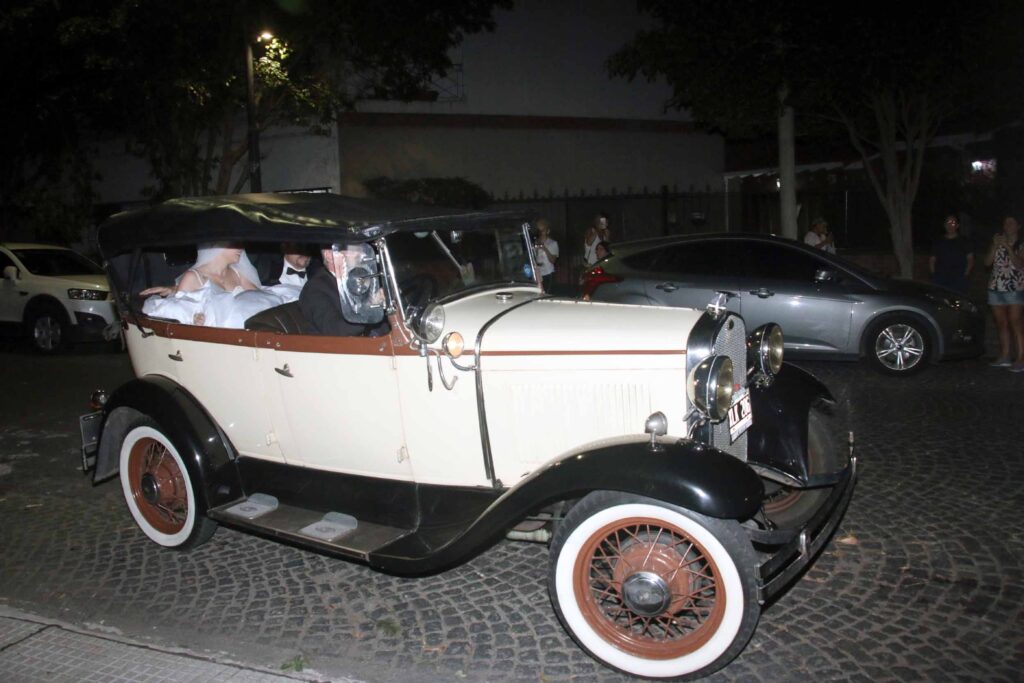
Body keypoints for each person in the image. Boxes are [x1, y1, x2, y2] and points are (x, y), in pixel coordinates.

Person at [140, 244, 298, 328]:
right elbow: (186, 314)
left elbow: (263, 300)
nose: (241, 248)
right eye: (235, 243)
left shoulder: (238, 274)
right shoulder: (193, 278)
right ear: (218, 245)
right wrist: (197, 318)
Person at [300, 244, 389, 337]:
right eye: (352, 246)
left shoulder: (354, 281)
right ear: (330, 255)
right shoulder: (315, 289)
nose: (361, 253)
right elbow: (337, 330)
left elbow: (381, 327)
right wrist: (371, 305)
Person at [984, 215, 1024, 371]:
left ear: (1018, 226)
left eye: (1011, 222)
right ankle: (1005, 356)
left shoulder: (1021, 244)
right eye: (1005, 223)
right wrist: (994, 246)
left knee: (1016, 322)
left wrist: (1008, 246)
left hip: (1015, 288)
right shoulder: (997, 243)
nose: (1007, 225)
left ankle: (1021, 357)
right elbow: (987, 263)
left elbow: (1019, 264)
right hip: (996, 288)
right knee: (1001, 324)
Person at [929, 214, 974, 294]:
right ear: (944, 225)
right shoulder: (938, 241)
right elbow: (932, 259)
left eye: (953, 223)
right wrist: (934, 274)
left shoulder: (964, 241)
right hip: (940, 278)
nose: (950, 225)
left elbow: (970, 259)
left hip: (958, 279)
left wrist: (965, 274)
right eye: (948, 223)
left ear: (957, 225)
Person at [534, 219, 559, 292]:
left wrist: (545, 249)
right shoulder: (536, 242)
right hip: (538, 274)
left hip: (548, 274)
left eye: (543, 230)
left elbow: (553, 261)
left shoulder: (553, 243)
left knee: (548, 293)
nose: (541, 233)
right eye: (540, 230)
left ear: (548, 231)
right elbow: (533, 259)